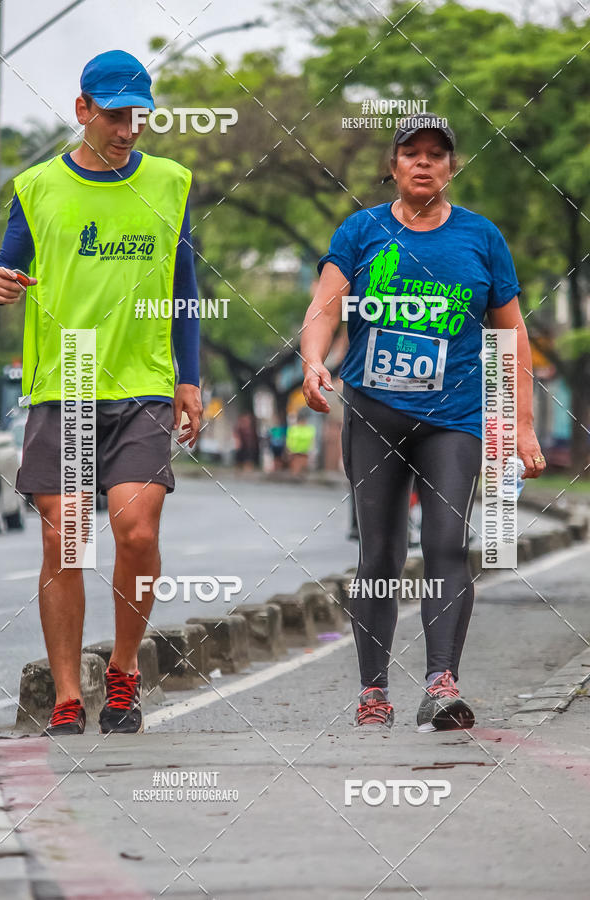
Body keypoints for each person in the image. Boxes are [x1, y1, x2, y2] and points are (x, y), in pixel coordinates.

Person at [300, 114, 545, 731]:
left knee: (445, 544)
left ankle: (441, 684)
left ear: (452, 167)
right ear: (394, 164)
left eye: (438, 154)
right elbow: (323, 310)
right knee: (380, 554)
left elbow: (511, 337)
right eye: (412, 153)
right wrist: (313, 364)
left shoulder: (481, 237)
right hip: (375, 413)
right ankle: (373, 690)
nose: (424, 163)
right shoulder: (362, 230)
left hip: (456, 418)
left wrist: (520, 424)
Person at [0, 50, 202, 736]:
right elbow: (4, 271)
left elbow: (184, 291)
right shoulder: (37, 187)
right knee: (67, 541)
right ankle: (66, 693)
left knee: (136, 530)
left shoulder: (170, 184)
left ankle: (125, 668)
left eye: (137, 115)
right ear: (83, 110)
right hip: (67, 380)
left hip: (142, 383)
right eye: (114, 115)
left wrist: (190, 377)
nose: (127, 129)